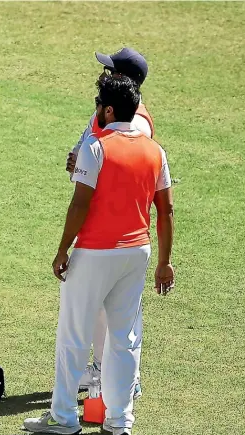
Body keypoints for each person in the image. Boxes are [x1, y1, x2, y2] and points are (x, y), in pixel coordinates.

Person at [24, 74, 174, 435]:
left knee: (74, 334)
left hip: (94, 252)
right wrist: (165, 261)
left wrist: (63, 249)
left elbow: (80, 202)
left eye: (97, 106)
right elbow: (166, 210)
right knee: (125, 337)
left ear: (108, 110)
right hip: (137, 253)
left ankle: (63, 417)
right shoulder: (156, 151)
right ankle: (119, 419)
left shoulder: (97, 146)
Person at [66, 48, 154, 396]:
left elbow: (129, 170)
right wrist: (78, 161)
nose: (103, 75)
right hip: (98, 221)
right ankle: (103, 370)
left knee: (120, 313)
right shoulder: (105, 107)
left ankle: (124, 380)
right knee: (105, 308)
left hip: (120, 229)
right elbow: (87, 145)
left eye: (109, 71)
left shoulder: (138, 123)